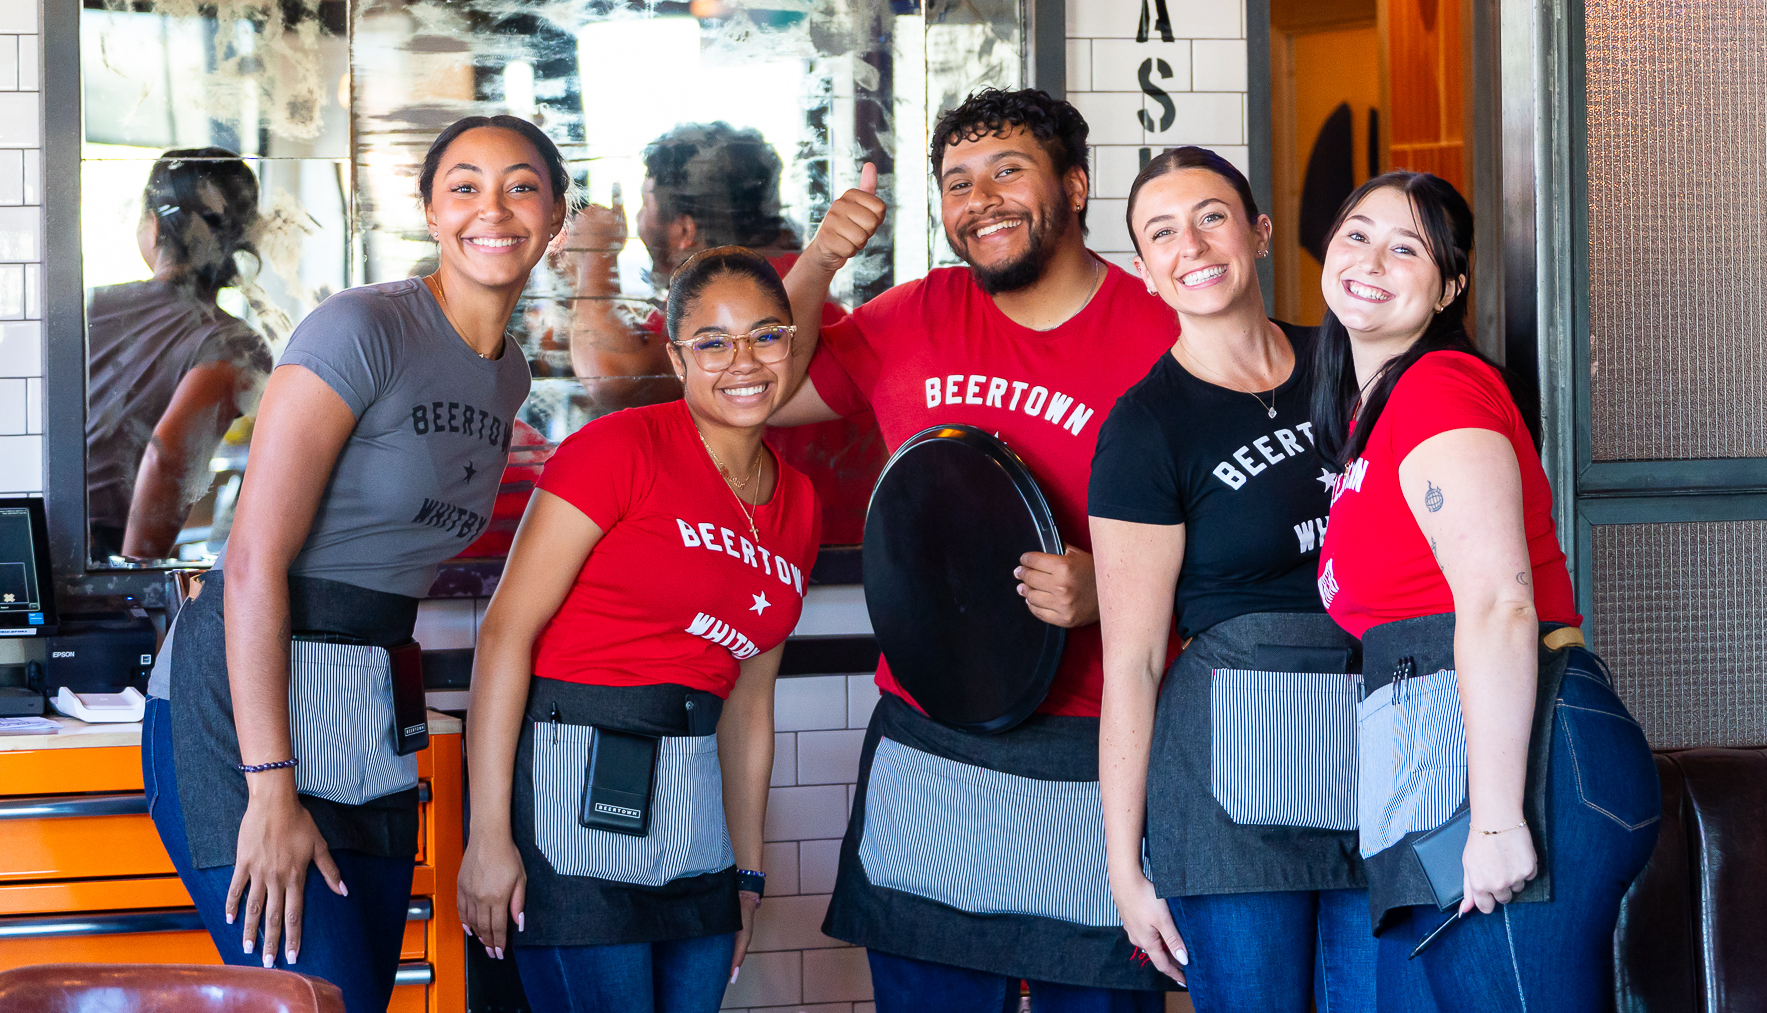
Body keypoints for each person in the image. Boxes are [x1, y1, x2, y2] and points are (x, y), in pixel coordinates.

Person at [142, 114, 564, 1012]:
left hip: (365, 700)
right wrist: (269, 787)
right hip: (246, 705)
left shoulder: (508, 374)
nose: (493, 208)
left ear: (557, 215)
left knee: (358, 996)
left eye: (521, 186)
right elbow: (253, 558)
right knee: (308, 996)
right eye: (464, 186)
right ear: (428, 211)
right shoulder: (362, 328)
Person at [773, 88, 1182, 1010]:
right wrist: (825, 255)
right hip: (930, 751)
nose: (979, 198)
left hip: (1092, 756)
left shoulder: (1164, 337)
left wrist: (1109, 587)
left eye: (1008, 171)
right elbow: (761, 385)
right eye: (956, 182)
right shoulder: (909, 317)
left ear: (1076, 186)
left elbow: (1252, 549)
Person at [1309, 171, 1660, 1010]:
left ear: (1451, 286)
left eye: (1408, 248)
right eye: (1358, 234)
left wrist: (1499, 821)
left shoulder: (1439, 389)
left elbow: (1501, 604)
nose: (1372, 260)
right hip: (1448, 758)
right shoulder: (1372, 412)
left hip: (1531, 757)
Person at [456, 247, 822, 1013]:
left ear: (792, 342)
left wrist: (746, 876)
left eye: (766, 335)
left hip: (696, 822)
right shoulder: (621, 448)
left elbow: (751, 700)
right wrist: (488, 837)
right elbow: (504, 634)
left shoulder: (801, 503)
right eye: (713, 342)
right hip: (573, 795)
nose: (743, 362)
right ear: (677, 356)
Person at [1088, 147, 1374, 1013]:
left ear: (1259, 231)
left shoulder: (1356, 365)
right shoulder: (1145, 429)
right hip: (1229, 779)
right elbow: (1133, 661)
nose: (1193, 245)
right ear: (1145, 270)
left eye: (1212, 216)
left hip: (1380, 739)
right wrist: (1124, 866)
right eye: (1162, 233)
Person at [552, 121, 885, 543]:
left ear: (685, 230)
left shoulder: (722, 307)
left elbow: (613, 376)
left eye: (643, 205)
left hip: (778, 560)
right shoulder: (804, 294)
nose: (635, 221)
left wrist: (594, 255)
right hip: (843, 556)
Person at [85, 147, 273, 560]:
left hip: (30, 535)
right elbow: (170, 460)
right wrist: (135, 584)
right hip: (103, 556)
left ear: (153, 227)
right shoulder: (236, 343)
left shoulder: (90, 307)